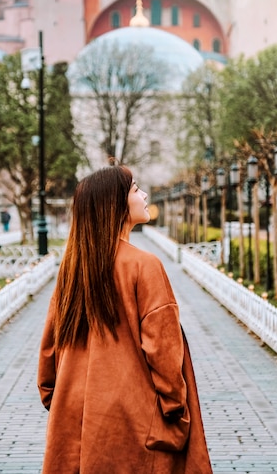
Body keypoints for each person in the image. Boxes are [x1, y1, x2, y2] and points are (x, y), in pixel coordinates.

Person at [37, 165, 213, 474]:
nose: (144, 195)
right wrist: (175, 411)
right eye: (135, 190)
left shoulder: (71, 272)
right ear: (115, 204)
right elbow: (164, 352)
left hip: (74, 423)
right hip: (132, 423)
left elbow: (48, 359)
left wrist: (63, 402)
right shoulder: (144, 266)